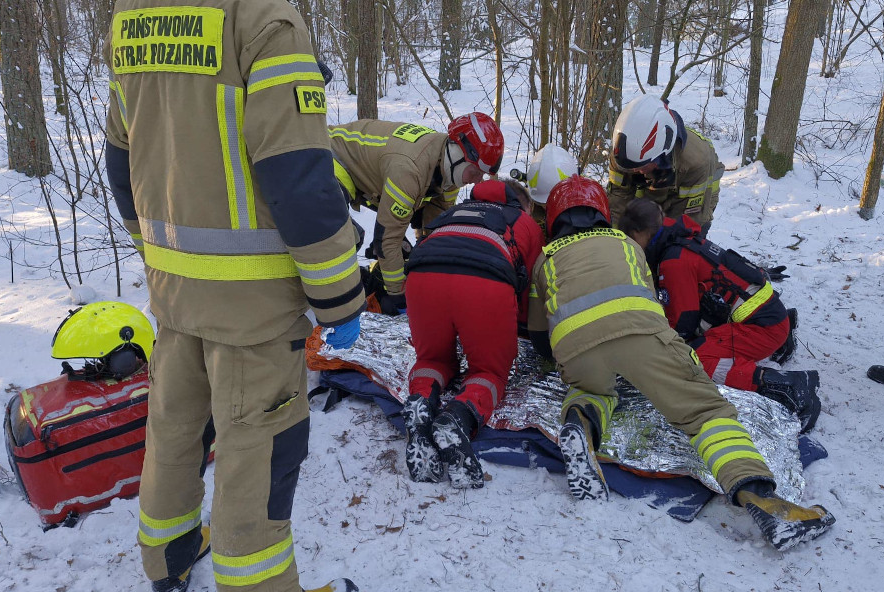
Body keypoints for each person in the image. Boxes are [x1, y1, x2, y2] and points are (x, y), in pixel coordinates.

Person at [104, 2, 365, 592]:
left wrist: (160, 254)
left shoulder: (134, 16)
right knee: (261, 451)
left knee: (175, 429)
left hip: (175, 292)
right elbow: (299, 174)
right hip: (253, 308)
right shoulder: (263, 19)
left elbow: (120, 157)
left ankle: (166, 556)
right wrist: (338, 295)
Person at [526, 174, 835, 552]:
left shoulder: (545, 259)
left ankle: (581, 424)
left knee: (590, 389)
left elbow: (540, 338)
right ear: (603, 213)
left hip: (576, 349)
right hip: (641, 334)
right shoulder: (625, 243)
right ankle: (764, 501)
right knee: (704, 411)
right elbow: (651, 300)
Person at [618, 199, 821, 432]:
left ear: (640, 232)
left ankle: (789, 387)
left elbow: (682, 324)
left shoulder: (674, 262)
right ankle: (781, 342)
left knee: (696, 358)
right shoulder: (680, 237)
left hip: (763, 328)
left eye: (632, 240)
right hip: (769, 315)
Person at [401, 180, 544, 488]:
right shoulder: (526, 223)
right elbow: (527, 291)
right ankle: (459, 416)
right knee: (489, 370)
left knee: (433, 358)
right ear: (524, 204)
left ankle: (421, 400)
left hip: (422, 278)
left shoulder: (456, 211)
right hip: (485, 285)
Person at [329, 113, 505, 314]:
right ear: (457, 154)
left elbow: (434, 229)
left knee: (398, 250)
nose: (475, 181)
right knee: (341, 240)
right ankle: (328, 308)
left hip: (368, 172)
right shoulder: (410, 171)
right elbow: (386, 239)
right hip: (330, 157)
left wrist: (427, 269)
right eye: (474, 172)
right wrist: (399, 296)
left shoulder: (449, 170)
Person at [607, 94, 725, 236]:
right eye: (630, 167)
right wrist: (615, 239)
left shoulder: (695, 162)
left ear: (661, 155)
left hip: (692, 203)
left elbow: (682, 226)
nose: (635, 170)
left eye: (641, 165)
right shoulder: (623, 153)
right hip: (652, 191)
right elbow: (618, 201)